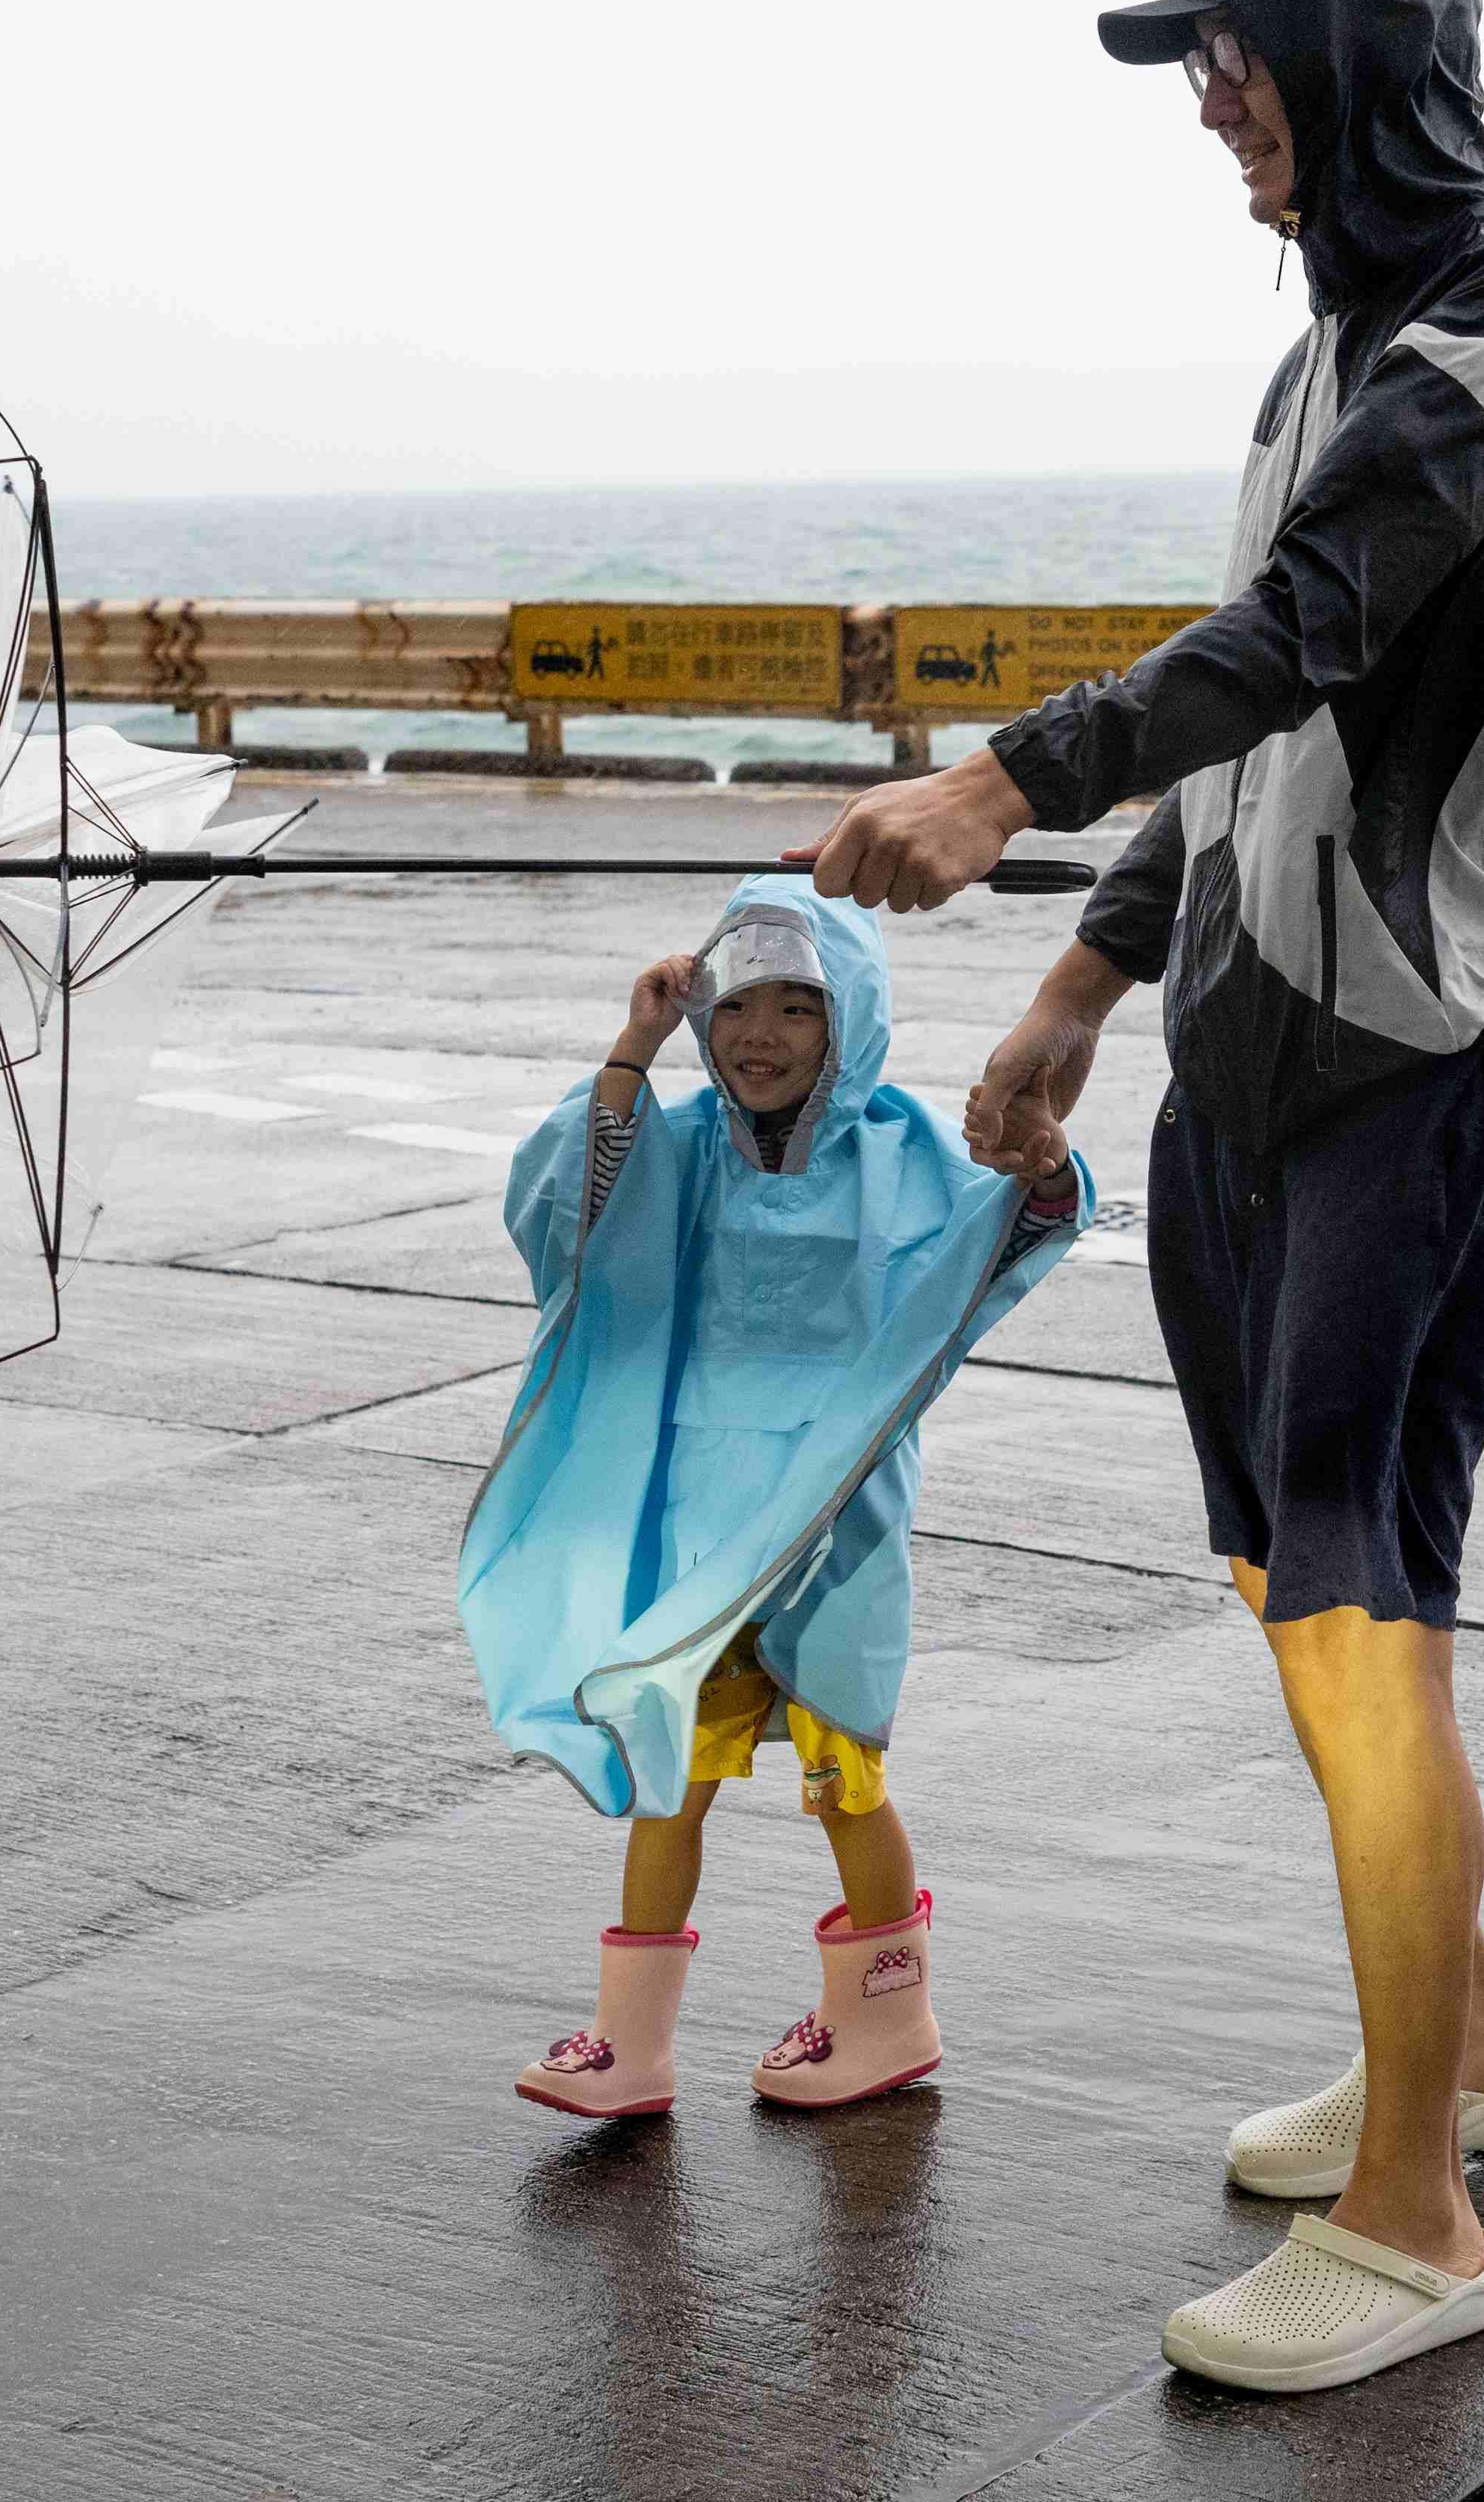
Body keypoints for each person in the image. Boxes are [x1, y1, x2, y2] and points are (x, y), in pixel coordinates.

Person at [808, 0, 1484, 2394]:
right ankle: (1467, 2053)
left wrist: (997, 780)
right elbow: (1266, 726)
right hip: (1253, 1059)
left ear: (1359, 49)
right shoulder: (1325, 356)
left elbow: (1304, 628)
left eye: (1234, 48)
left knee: (1366, 1608)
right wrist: (1083, 980)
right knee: (1295, 1585)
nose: (1207, 100)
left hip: (1433, 1060)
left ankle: (1420, 2221)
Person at [461, 877, 1085, 2119]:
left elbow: (1007, 1231)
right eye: (739, 1005)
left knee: (846, 1768)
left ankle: (888, 2016)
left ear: (850, 1019)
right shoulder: (682, 1143)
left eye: (801, 1008)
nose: (762, 1036)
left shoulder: (896, 1151)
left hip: (834, 1513)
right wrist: (634, 1047)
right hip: (699, 1526)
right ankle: (632, 2042)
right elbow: (572, 1215)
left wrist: (1045, 1161)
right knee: (671, 1764)